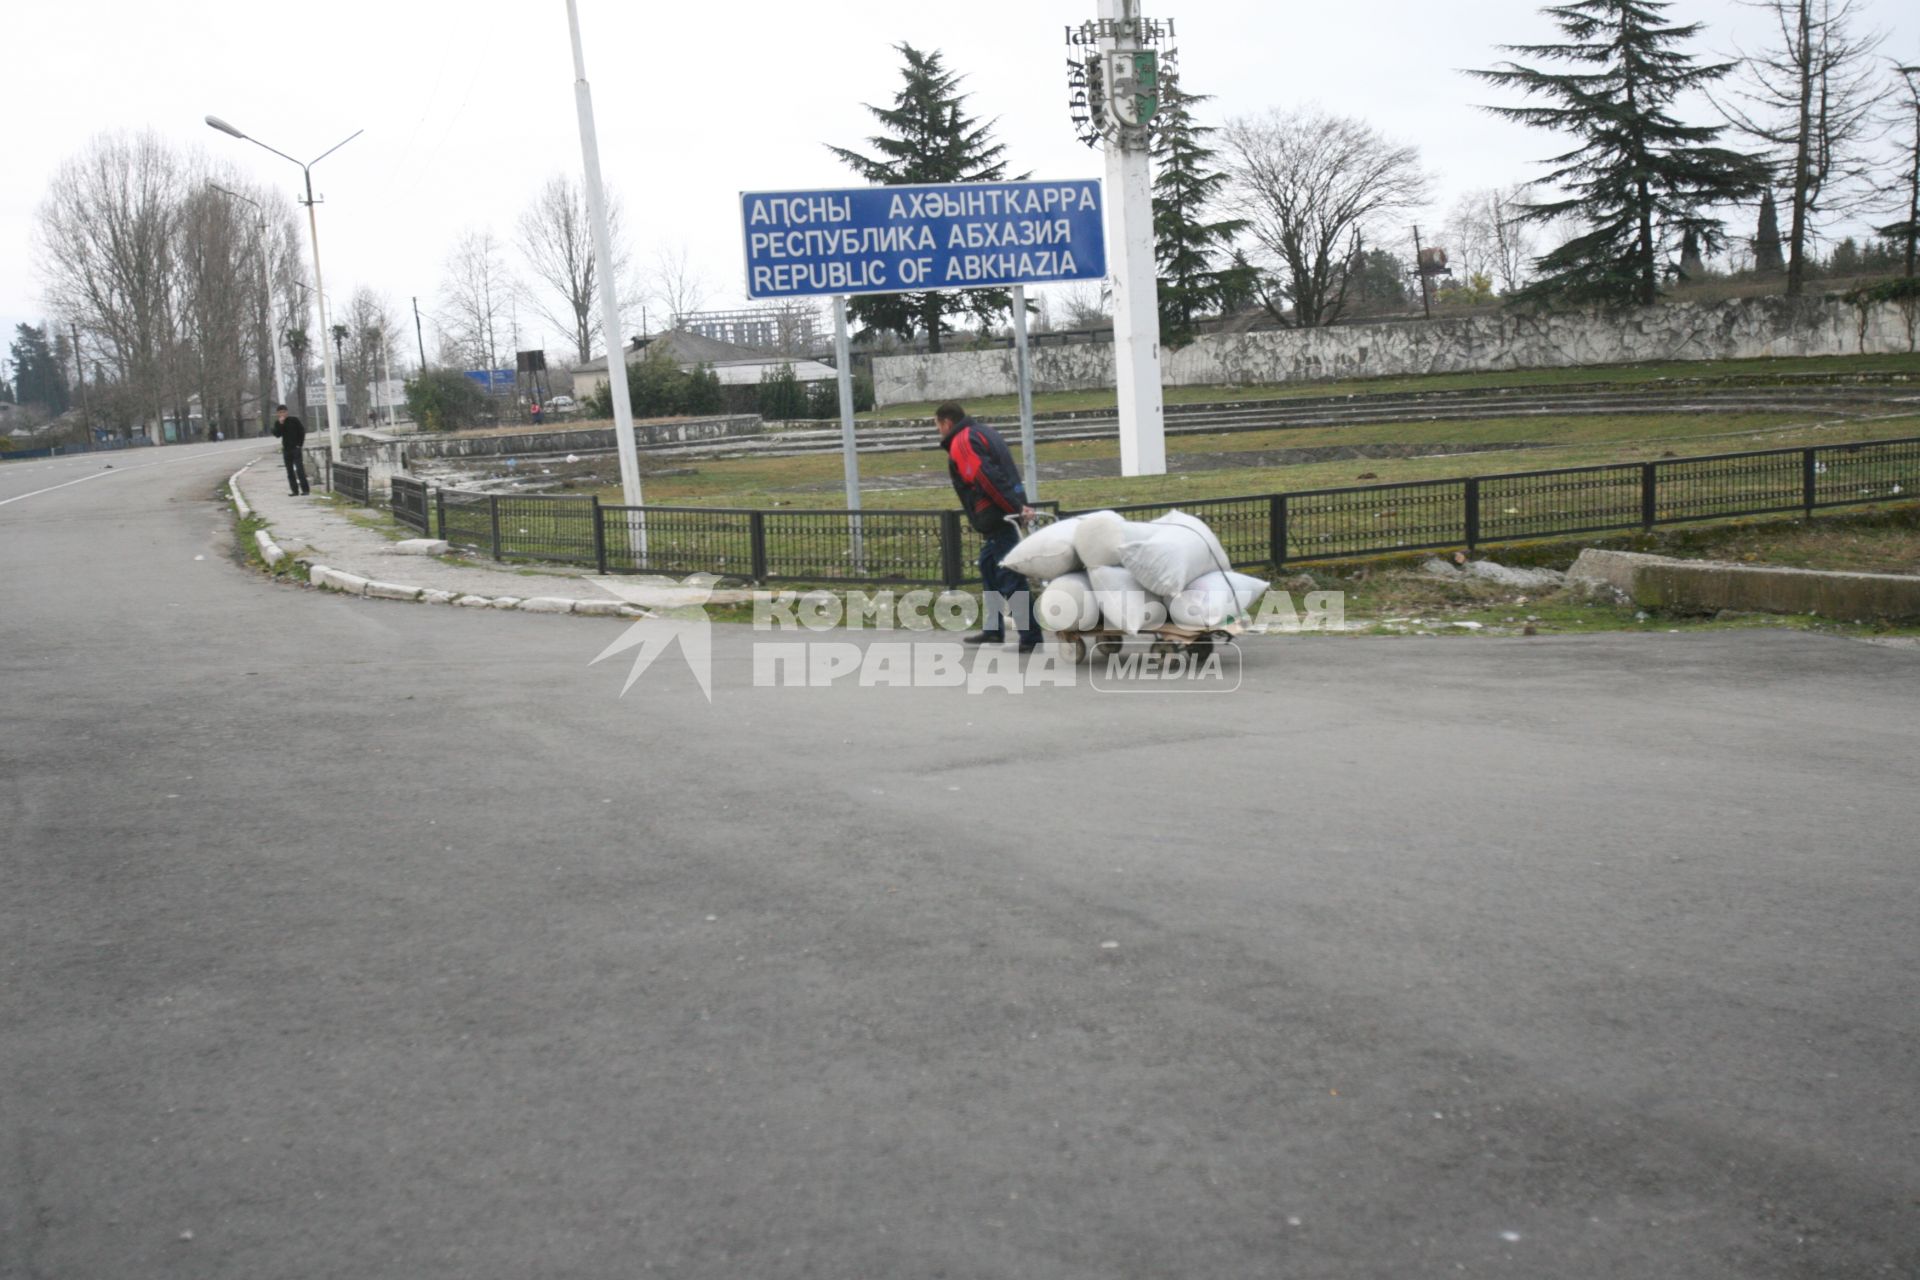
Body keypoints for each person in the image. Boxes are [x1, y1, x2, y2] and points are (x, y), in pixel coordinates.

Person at [936, 402, 1041, 650]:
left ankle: (1031, 637)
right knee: (988, 566)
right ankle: (993, 629)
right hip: (1005, 511)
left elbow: (987, 478)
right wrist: (1020, 503)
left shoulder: (962, 442)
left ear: (946, 423)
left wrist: (1014, 508)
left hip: (997, 516)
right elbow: (1009, 473)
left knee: (1009, 575)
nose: (938, 432)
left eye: (937, 426)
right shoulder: (985, 432)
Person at [272, 405, 309, 495]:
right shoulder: (278, 423)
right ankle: (294, 491)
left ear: (287, 412)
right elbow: (277, 434)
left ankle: (305, 490)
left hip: (295, 448)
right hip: (286, 449)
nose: (282, 414)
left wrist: (299, 444)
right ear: (277, 414)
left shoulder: (294, 420)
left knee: (299, 469)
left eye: (284, 412)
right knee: (289, 471)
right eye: (280, 412)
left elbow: (302, 431)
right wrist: (281, 424)